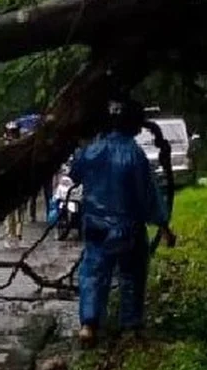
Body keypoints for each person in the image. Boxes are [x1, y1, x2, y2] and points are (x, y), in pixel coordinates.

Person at [69, 98, 176, 347]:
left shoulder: (92, 150)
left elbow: (75, 173)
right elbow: (148, 195)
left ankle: (88, 325)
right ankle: (129, 326)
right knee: (132, 274)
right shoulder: (135, 155)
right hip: (127, 228)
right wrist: (163, 225)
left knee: (92, 273)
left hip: (95, 225)